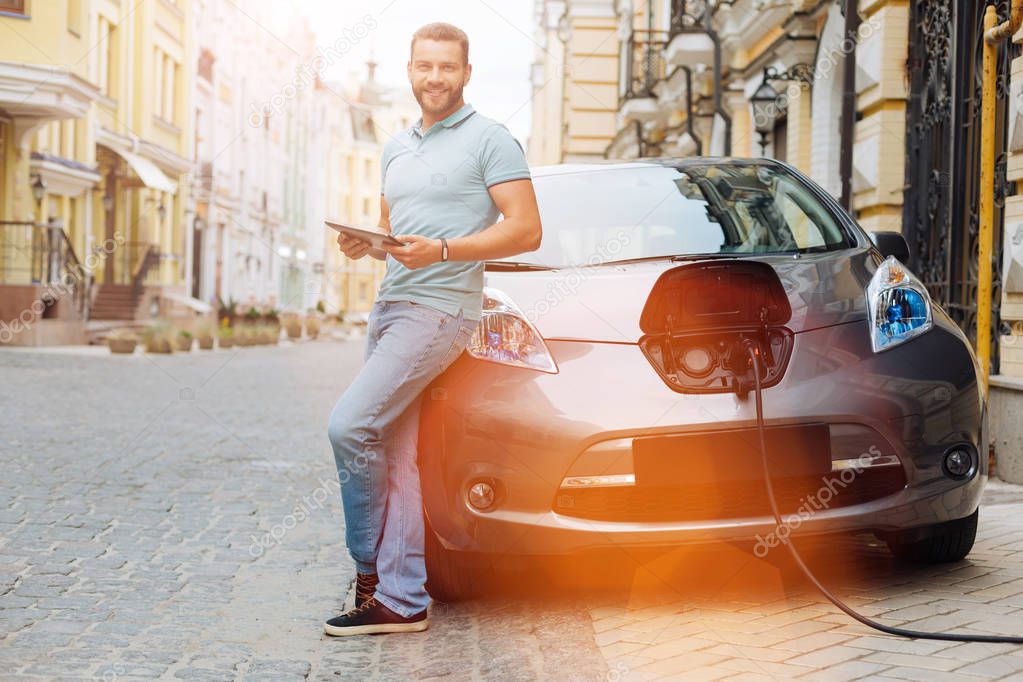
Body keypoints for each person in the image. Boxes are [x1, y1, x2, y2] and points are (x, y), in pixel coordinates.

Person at [323, 22, 542, 636]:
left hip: (441, 311)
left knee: (349, 425)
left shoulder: (491, 140)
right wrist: (368, 245)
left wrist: (445, 250)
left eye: (447, 67)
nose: (435, 78)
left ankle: (369, 571)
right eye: (425, 66)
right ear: (410, 70)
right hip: (391, 307)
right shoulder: (396, 147)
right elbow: (398, 232)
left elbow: (526, 229)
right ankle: (402, 598)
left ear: (467, 73)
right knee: (396, 457)